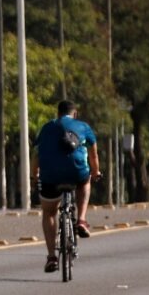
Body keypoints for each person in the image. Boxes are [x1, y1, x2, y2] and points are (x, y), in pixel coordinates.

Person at [33, 100, 100, 274]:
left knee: (49, 212)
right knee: (85, 181)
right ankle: (82, 220)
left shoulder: (46, 128)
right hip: (76, 173)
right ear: (75, 114)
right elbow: (93, 155)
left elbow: (36, 156)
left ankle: (51, 257)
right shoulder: (83, 127)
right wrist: (96, 172)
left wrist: (35, 175)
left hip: (50, 176)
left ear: (58, 114)